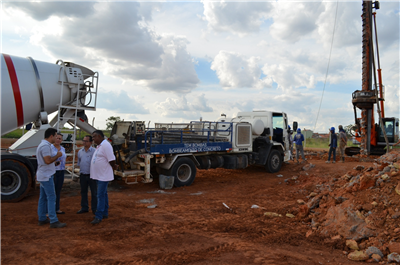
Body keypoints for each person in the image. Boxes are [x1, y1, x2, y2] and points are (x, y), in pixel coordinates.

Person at [36, 128, 66, 228]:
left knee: (43, 198)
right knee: (51, 197)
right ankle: (53, 220)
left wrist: (54, 161)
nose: (57, 138)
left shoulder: (44, 145)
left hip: (44, 174)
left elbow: (48, 161)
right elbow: (47, 161)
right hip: (46, 176)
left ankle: (42, 218)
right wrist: (57, 155)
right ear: (51, 136)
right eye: (56, 135)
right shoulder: (45, 146)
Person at [90, 130, 118, 225]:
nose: (93, 139)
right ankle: (104, 213)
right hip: (99, 175)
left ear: (99, 136)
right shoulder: (100, 146)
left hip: (103, 175)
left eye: (94, 137)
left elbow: (111, 159)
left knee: (100, 195)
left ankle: (99, 216)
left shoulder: (106, 145)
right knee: (103, 194)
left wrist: (114, 166)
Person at [77, 135, 97, 215]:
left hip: (92, 176)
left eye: (86, 141)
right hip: (83, 175)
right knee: (83, 192)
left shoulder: (94, 151)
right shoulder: (80, 152)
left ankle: (94, 209)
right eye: (83, 140)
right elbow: (79, 163)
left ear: (90, 142)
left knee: (94, 193)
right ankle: (84, 207)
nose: (84, 142)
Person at [51, 133, 66, 214]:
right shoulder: (50, 148)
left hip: (61, 171)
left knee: (58, 190)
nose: (58, 140)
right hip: (53, 171)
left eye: (60, 138)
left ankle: (57, 208)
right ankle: (50, 209)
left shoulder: (63, 149)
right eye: (57, 138)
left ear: (61, 140)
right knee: (51, 191)